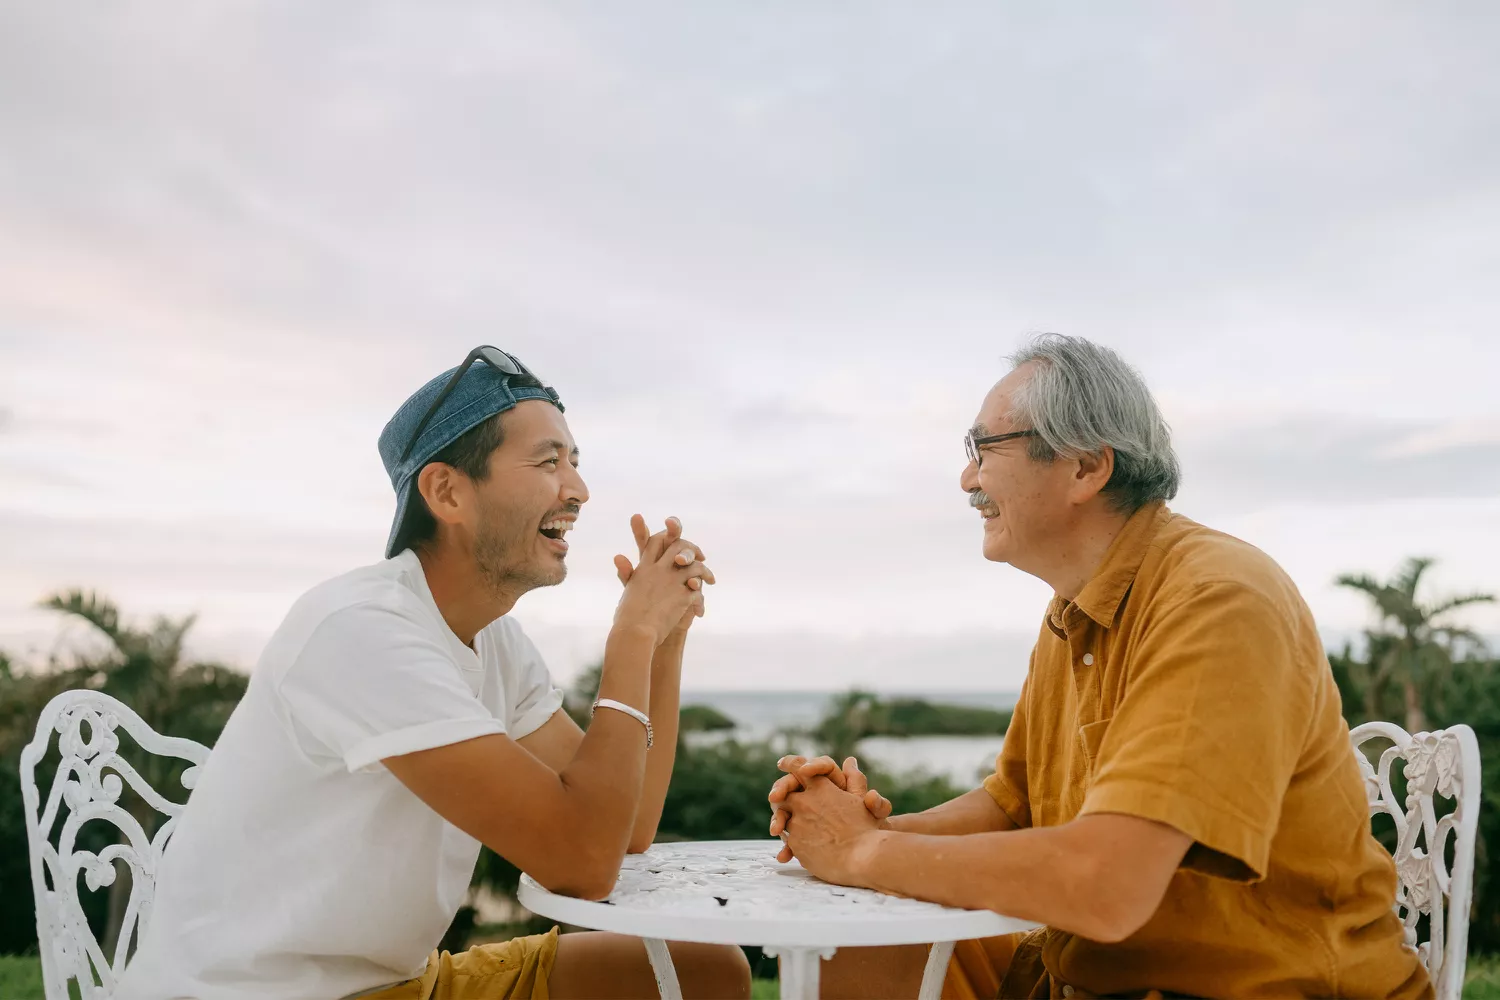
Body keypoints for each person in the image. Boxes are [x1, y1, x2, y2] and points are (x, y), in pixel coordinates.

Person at [768, 335, 1431, 999]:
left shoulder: (1219, 598)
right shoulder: (1071, 612)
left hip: (1259, 986)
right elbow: (1013, 804)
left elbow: (1109, 885)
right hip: (1081, 976)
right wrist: (866, 828)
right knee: (850, 958)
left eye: (983, 449)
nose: (967, 479)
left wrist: (863, 853)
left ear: (1085, 467)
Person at [118, 346, 751, 1000]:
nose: (578, 489)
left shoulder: (494, 642)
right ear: (447, 491)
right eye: (547, 461)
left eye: (575, 462)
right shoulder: (360, 631)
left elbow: (628, 827)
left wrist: (664, 645)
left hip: (403, 983)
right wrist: (631, 632)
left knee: (701, 970)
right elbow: (582, 863)